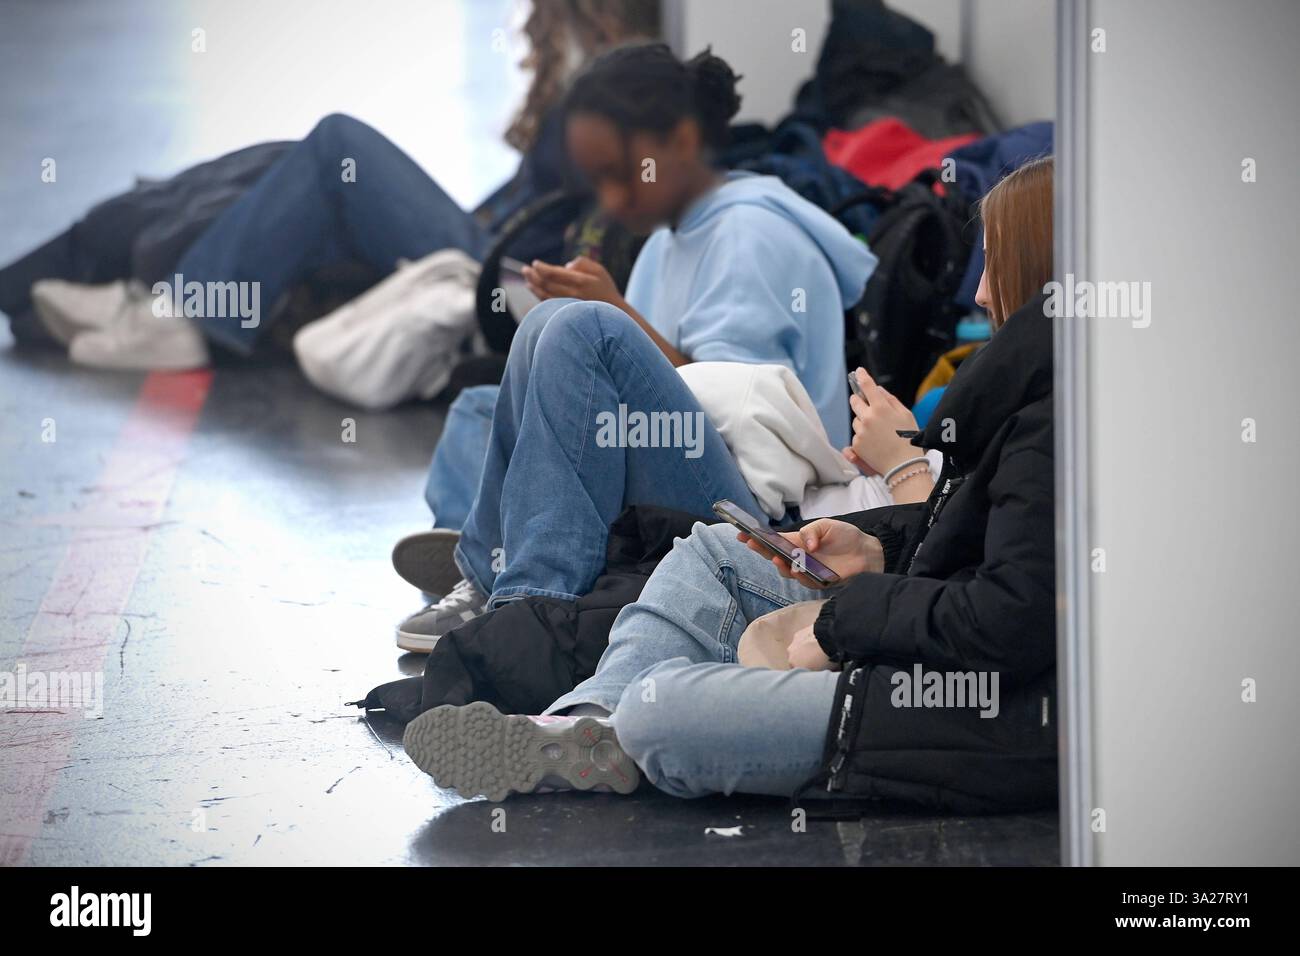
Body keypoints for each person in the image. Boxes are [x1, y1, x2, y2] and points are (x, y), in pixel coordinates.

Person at [400, 157, 1058, 812]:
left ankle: (536, 620)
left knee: (663, 711)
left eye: (995, 267)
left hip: (939, 681)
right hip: (883, 569)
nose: (977, 295)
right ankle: (587, 719)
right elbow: (976, 550)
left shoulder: (1046, 420)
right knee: (702, 544)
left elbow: (1008, 618)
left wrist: (858, 599)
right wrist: (877, 551)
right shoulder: (1019, 395)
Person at [392, 43, 878, 651]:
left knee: (579, 327)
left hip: (765, 519)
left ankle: (530, 600)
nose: (614, 200)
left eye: (622, 174)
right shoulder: (668, 240)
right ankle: (487, 561)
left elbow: (739, 410)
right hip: (679, 461)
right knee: (484, 401)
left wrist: (616, 315)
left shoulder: (752, 235)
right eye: (598, 182)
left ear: (679, 138)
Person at [13, 0, 661, 369]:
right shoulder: (583, 65)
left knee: (337, 146)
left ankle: (182, 311)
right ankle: (127, 293)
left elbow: (594, 220)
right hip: (490, 241)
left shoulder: (630, 83)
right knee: (276, 165)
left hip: (509, 271)